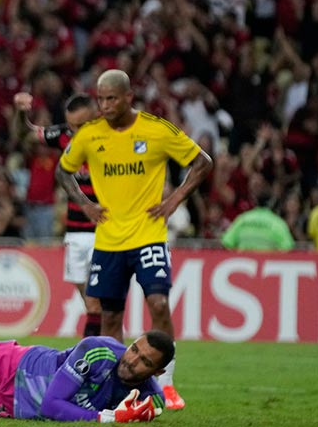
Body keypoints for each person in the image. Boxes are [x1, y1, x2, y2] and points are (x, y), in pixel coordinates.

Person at [57, 69, 214, 410]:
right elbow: (62, 169)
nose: (105, 105)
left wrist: (174, 199)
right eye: (100, 99)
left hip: (149, 236)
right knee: (110, 318)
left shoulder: (155, 129)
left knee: (158, 303)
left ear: (129, 97)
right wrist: (84, 204)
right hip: (109, 241)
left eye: (111, 98)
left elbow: (202, 162)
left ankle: (168, 385)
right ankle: (116, 388)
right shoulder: (89, 135)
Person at [0, 263, 170, 422]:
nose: (132, 360)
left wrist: (138, 415)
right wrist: (104, 419)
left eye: (145, 362)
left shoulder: (152, 396)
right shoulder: (97, 350)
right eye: (134, 350)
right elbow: (51, 404)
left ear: (157, 372)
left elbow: (155, 405)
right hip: (11, 364)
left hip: (13, 406)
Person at [14, 92, 102, 337]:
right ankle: (104, 338)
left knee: (99, 299)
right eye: (72, 124)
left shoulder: (110, 136)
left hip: (104, 228)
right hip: (75, 229)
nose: (75, 130)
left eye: (80, 125)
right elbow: (26, 133)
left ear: (96, 116)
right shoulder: (64, 135)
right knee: (89, 300)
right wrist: (22, 112)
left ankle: (99, 346)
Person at [221, 195, 295, 251]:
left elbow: (227, 242)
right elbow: (287, 246)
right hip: (267, 267)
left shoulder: (242, 219)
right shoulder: (277, 222)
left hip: (243, 263)